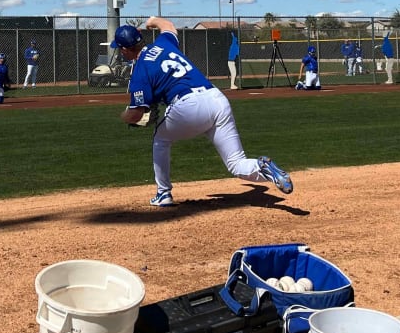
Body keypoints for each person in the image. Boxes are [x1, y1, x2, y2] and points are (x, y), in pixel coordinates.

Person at [110, 16, 293, 207]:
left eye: (120, 49)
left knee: (161, 139)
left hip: (188, 106)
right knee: (237, 163)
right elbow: (169, 26)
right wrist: (154, 20)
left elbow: (136, 114)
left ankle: (163, 194)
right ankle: (262, 168)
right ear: (140, 37)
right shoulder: (163, 43)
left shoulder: (139, 71)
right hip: (217, 99)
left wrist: (123, 116)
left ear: (124, 49)